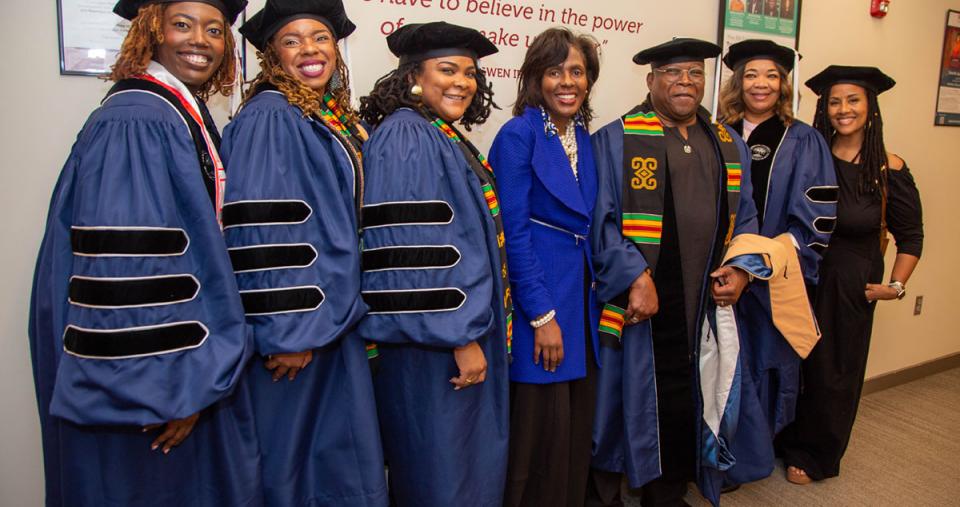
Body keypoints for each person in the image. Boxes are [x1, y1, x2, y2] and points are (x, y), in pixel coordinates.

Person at [29, 1, 264, 506]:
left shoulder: (177, 109)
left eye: (214, 30)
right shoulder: (138, 118)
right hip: (144, 376)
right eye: (182, 24)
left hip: (180, 360)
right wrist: (168, 387)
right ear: (152, 29)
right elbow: (135, 264)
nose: (200, 39)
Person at [220, 0, 388, 505]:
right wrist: (286, 332)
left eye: (320, 37)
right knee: (295, 467)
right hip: (299, 337)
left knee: (332, 465)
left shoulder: (321, 113)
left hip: (331, 323)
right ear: (272, 54)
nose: (310, 50)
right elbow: (263, 230)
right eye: (292, 40)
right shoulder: (272, 116)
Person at [588, 38, 759, 507]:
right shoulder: (618, 139)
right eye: (673, 73)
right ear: (651, 81)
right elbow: (600, 220)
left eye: (695, 73)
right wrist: (635, 276)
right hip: (640, 302)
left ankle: (668, 490)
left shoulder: (727, 143)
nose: (686, 82)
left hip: (702, 301)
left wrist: (742, 270)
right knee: (620, 398)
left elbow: (745, 218)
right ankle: (603, 496)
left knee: (692, 390)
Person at [357, 22, 511, 507]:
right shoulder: (407, 135)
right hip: (436, 346)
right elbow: (410, 252)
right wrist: (460, 338)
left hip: (451, 333)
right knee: (443, 474)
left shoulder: (435, 131)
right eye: (448, 69)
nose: (463, 82)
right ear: (412, 76)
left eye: (469, 72)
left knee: (460, 468)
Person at [777, 66, 923, 485]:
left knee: (833, 370)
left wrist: (895, 286)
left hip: (850, 283)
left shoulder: (888, 169)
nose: (843, 110)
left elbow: (911, 234)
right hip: (803, 274)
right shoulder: (809, 156)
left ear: (870, 107)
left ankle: (817, 452)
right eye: (835, 101)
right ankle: (783, 438)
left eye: (853, 100)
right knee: (794, 361)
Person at [488, 27, 601, 507]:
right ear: (535, 78)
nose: (567, 81)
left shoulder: (582, 136)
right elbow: (512, 234)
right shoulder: (518, 135)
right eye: (555, 71)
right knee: (538, 433)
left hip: (581, 301)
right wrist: (541, 316)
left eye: (576, 71)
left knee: (572, 430)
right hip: (544, 302)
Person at [715, 39, 837, 484]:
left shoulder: (805, 140)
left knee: (762, 368)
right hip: (720, 276)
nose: (760, 84)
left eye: (770, 75)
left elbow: (813, 221)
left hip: (771, 282)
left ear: (783, 84)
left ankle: (746, 461)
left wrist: (753, 265)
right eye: (750, 74)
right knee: (722, 363)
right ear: (737, 81)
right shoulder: (717, 133)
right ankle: (714, 453)